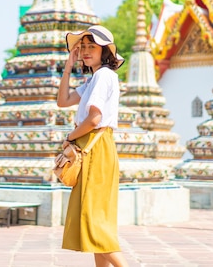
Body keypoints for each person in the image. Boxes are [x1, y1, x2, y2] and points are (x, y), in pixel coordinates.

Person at [56, 25, 129, 267]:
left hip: (95, 145)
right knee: (97, 221)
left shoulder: (103, 76)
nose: (86, 51)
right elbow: (63, 101)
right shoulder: (94, 78)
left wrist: (70, 137)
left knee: (95, 223)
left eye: (92, 46)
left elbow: (94, 119)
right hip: (96, 145)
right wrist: (68, 66)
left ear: (104, 50)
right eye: (83, 47)